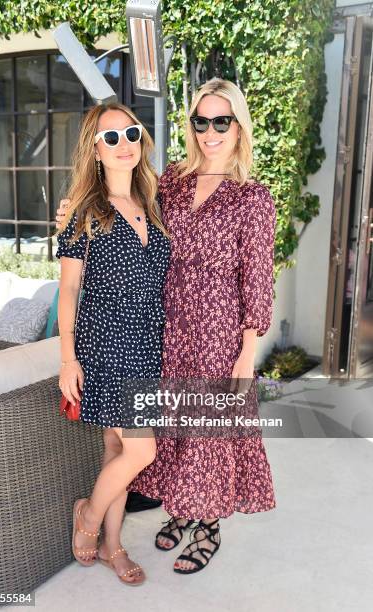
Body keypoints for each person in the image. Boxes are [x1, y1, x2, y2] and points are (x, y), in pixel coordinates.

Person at [56, 78, 277, 575]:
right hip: (164, 330)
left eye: (222, 120)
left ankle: (208, 527)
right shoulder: (170, 181)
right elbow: (115, 192)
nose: (211, 131)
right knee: (172, 436)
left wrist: (247, 353)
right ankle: (178, 512)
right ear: (191, 126)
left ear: (238, 127)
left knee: (210, 435)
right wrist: (71, 213)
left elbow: (259, 280)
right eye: (202, 121)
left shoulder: (252, 197)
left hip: (218, 335)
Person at [55, 102, 170, 586]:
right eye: (110, 137)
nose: (123, 144)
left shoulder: (154, 203)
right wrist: (67, 358)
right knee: (141, 452)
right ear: (95, 152)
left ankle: (112, 546)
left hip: (147, 345)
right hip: (106, 346)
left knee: (115, 452)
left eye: (131, 133)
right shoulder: (84, 212)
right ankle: (88, 514)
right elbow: (68, 289)